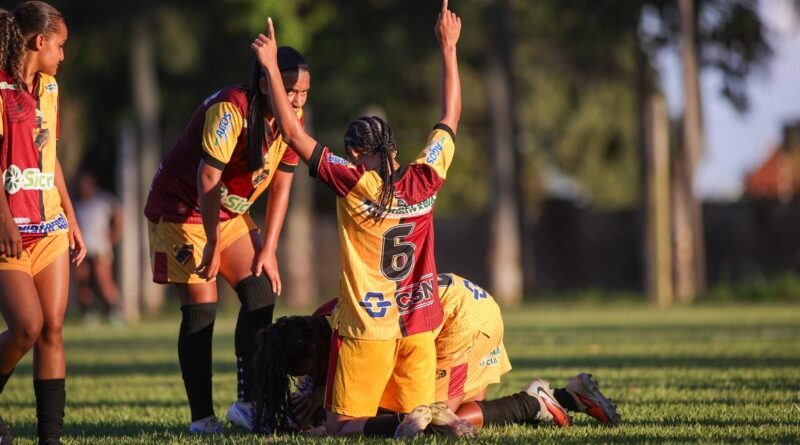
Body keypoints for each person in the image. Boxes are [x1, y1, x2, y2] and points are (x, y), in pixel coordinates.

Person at [251, 1, 463, 437]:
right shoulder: (426, 178)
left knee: (339, 426)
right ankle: (421, 421)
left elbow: (293, 133)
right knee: (411, 414)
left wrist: (271, 67)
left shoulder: (354, 183)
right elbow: (450, 115)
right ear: (395, 149)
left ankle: (397, 425)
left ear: (353, 153)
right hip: (420, 325)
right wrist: (448, 47)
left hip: (369, 327)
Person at [143, 44, 310, 433]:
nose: (298, 100)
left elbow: (282, 184)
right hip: (184, 210)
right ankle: (202, 417)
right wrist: (213, 242)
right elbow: (206, 177)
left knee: (260, 293)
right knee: (202, 308)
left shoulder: (292, 117)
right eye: (290, 91)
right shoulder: (231, 109)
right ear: (266, 84)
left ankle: (248, 404)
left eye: (304, 92)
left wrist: (269, 247)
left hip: (227, 212)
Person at [250, 273, 621, 436]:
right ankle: (563, 398)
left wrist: (326, 413)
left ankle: (534, 403)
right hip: (457, 302)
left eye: (307, 370)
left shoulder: (346, 340)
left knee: (434, 420)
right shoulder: (322, 318)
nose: (307, 378)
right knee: (467, 413)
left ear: (315, 348)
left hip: (459, 320)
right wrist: (318, 393)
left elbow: (351, 408)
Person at [0, 2, 86, 444]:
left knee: (52, 328)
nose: (64, 55)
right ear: (39, 41)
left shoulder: (50, 88)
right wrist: (4, 220)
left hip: (49, 227)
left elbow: (48, 159)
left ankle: (50, 439)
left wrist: (71, 217)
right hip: (8, 230)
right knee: (27, 326)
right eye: (60, 45)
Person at [73, 170, 123, 325]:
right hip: (83, 248)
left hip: (101, 248)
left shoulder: (102, 200)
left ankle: (114, 310)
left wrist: (114, 233)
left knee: (104, 281)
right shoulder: (78, 204)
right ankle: (90, 312)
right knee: (83, 281)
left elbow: (119, 212)